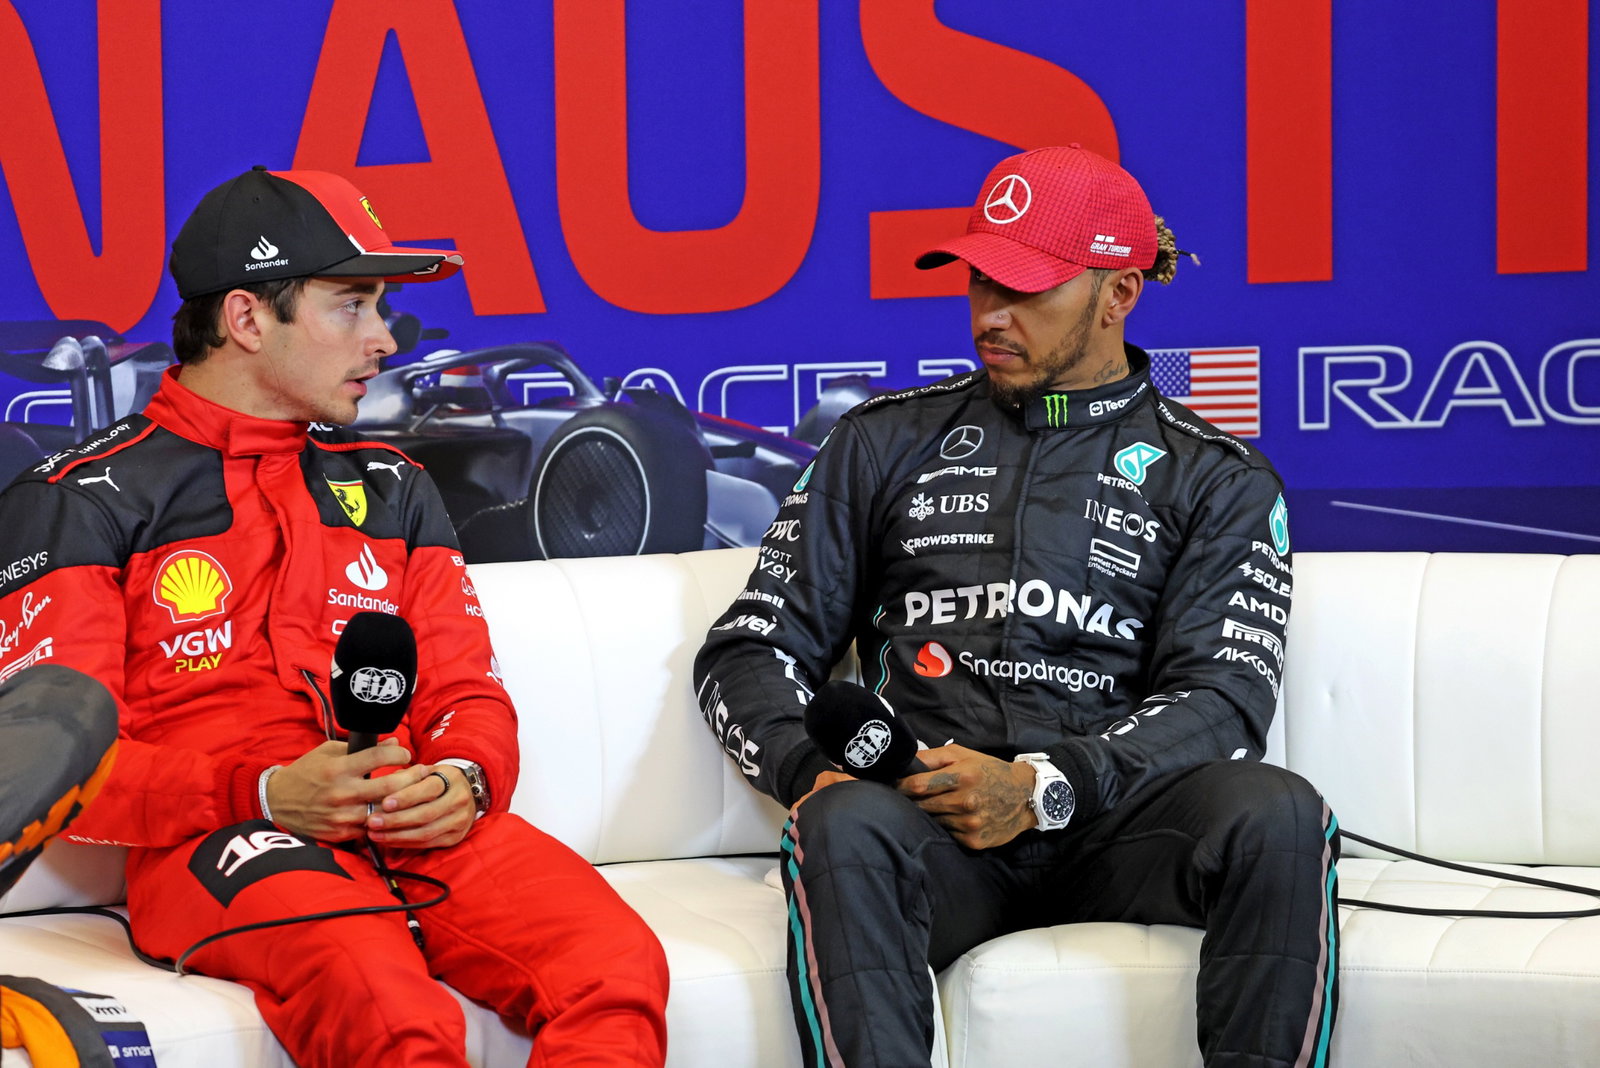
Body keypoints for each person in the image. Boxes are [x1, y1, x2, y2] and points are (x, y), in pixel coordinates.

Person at [0, 166, 668, 1067]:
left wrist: (464, 779)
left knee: (615, 965)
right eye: (351, 305)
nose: (385, 338)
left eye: (382, 308)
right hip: (224, 841)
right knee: (387, 1005)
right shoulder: (79, 499)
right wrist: (265, 793)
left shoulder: (395, 485)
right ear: (246, 319)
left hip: (413, 825)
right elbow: (53, 768)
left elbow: (466, 688)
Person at [694, 145, 1338, 1067]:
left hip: (1119, 823)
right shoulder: (880, 442)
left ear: (1119, 294)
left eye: (1029, 290)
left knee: (1280, 813)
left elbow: (1224, 703)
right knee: (837, 824)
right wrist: (805, 770)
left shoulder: (1218, 478)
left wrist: (1043, 788)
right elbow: (749, 648)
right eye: (980, 282)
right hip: (929, 819)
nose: (991, 316)